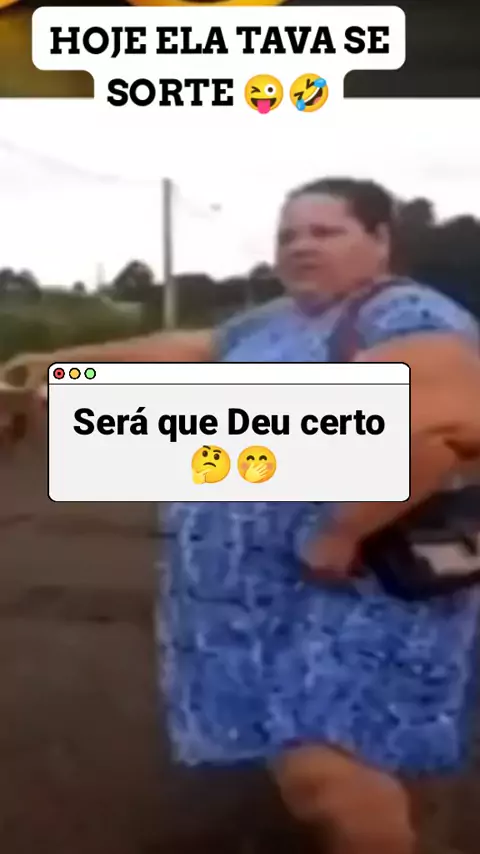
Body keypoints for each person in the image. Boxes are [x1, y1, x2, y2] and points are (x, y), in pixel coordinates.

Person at [5, 177, 480, 854]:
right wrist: (57, 366)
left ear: (380, 240)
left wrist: (340, 531)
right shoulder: (276, 321)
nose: (301, 247)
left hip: (351, 579)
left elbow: (438, 428)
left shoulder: (407, 313)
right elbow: (186, 348)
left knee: (327, 768)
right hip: (267, 595)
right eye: (289, 235)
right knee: (312, 763)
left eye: (325, 231)